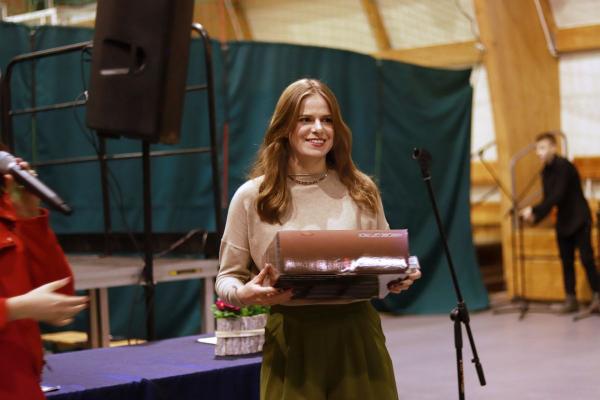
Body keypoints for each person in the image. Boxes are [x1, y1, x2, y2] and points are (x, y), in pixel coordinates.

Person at [216, 78, 421, 400]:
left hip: (358, 336)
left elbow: (386, 258)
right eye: (305, 119)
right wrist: (244, 294)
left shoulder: (361, 189)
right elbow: (226, 278)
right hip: (291, 338)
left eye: (327, 120)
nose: (318, 129)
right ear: (285, 127)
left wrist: (400, 273)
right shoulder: (252, 196)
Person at [0, 153, 88, 399]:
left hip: (21, 383)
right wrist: (14, 309)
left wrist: (29, 216)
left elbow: (60, 291)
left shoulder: (7, 213)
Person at [520, 132, 600, 313]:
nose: (538, 152)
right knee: (566, 261)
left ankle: (598, 295)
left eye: (542, 148)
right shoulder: (545, 172)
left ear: (553, 148)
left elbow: (558, 195)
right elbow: (549, 200)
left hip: (579, 218)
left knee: (587, 258)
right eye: (537, 149)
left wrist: (533, 209)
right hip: (563, 221)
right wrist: (535, 218)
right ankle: (570, 299)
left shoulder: (564, 167)